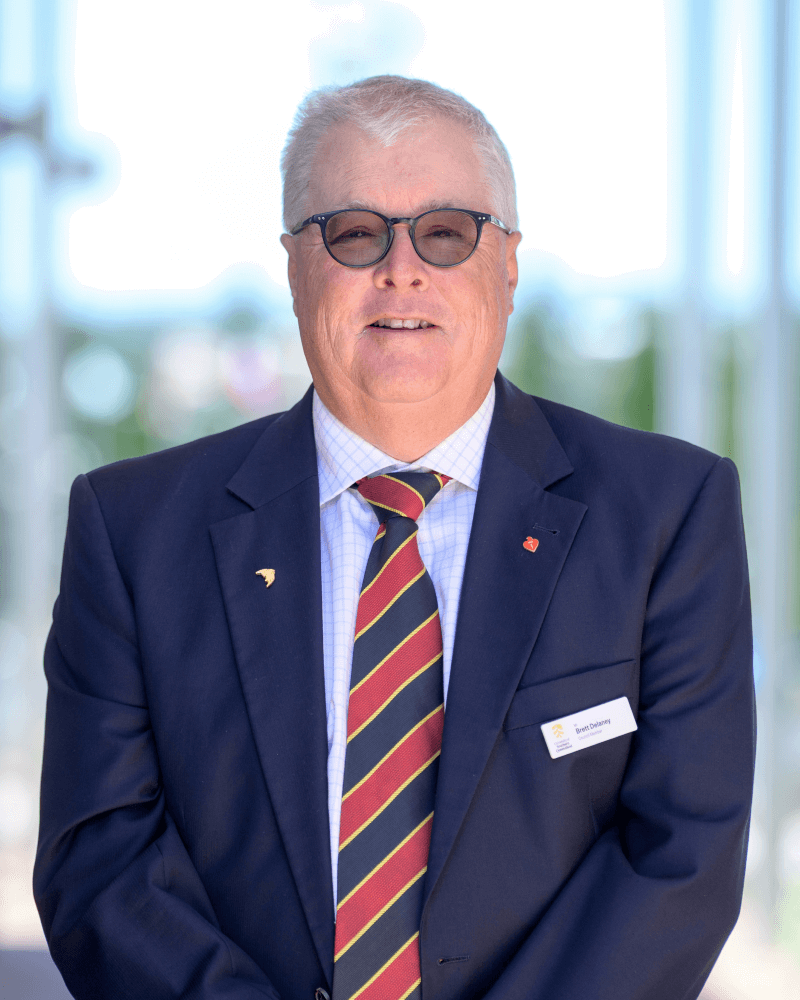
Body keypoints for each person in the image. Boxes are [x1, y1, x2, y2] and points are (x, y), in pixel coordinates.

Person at [34, 76, 755, 1000]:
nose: (401, 271)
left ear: (509, 263)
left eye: (447, 232)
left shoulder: (668, 511)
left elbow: (681, 854)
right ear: (297, 264)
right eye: (355, 232)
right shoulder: (130, 530)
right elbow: (99, 865)